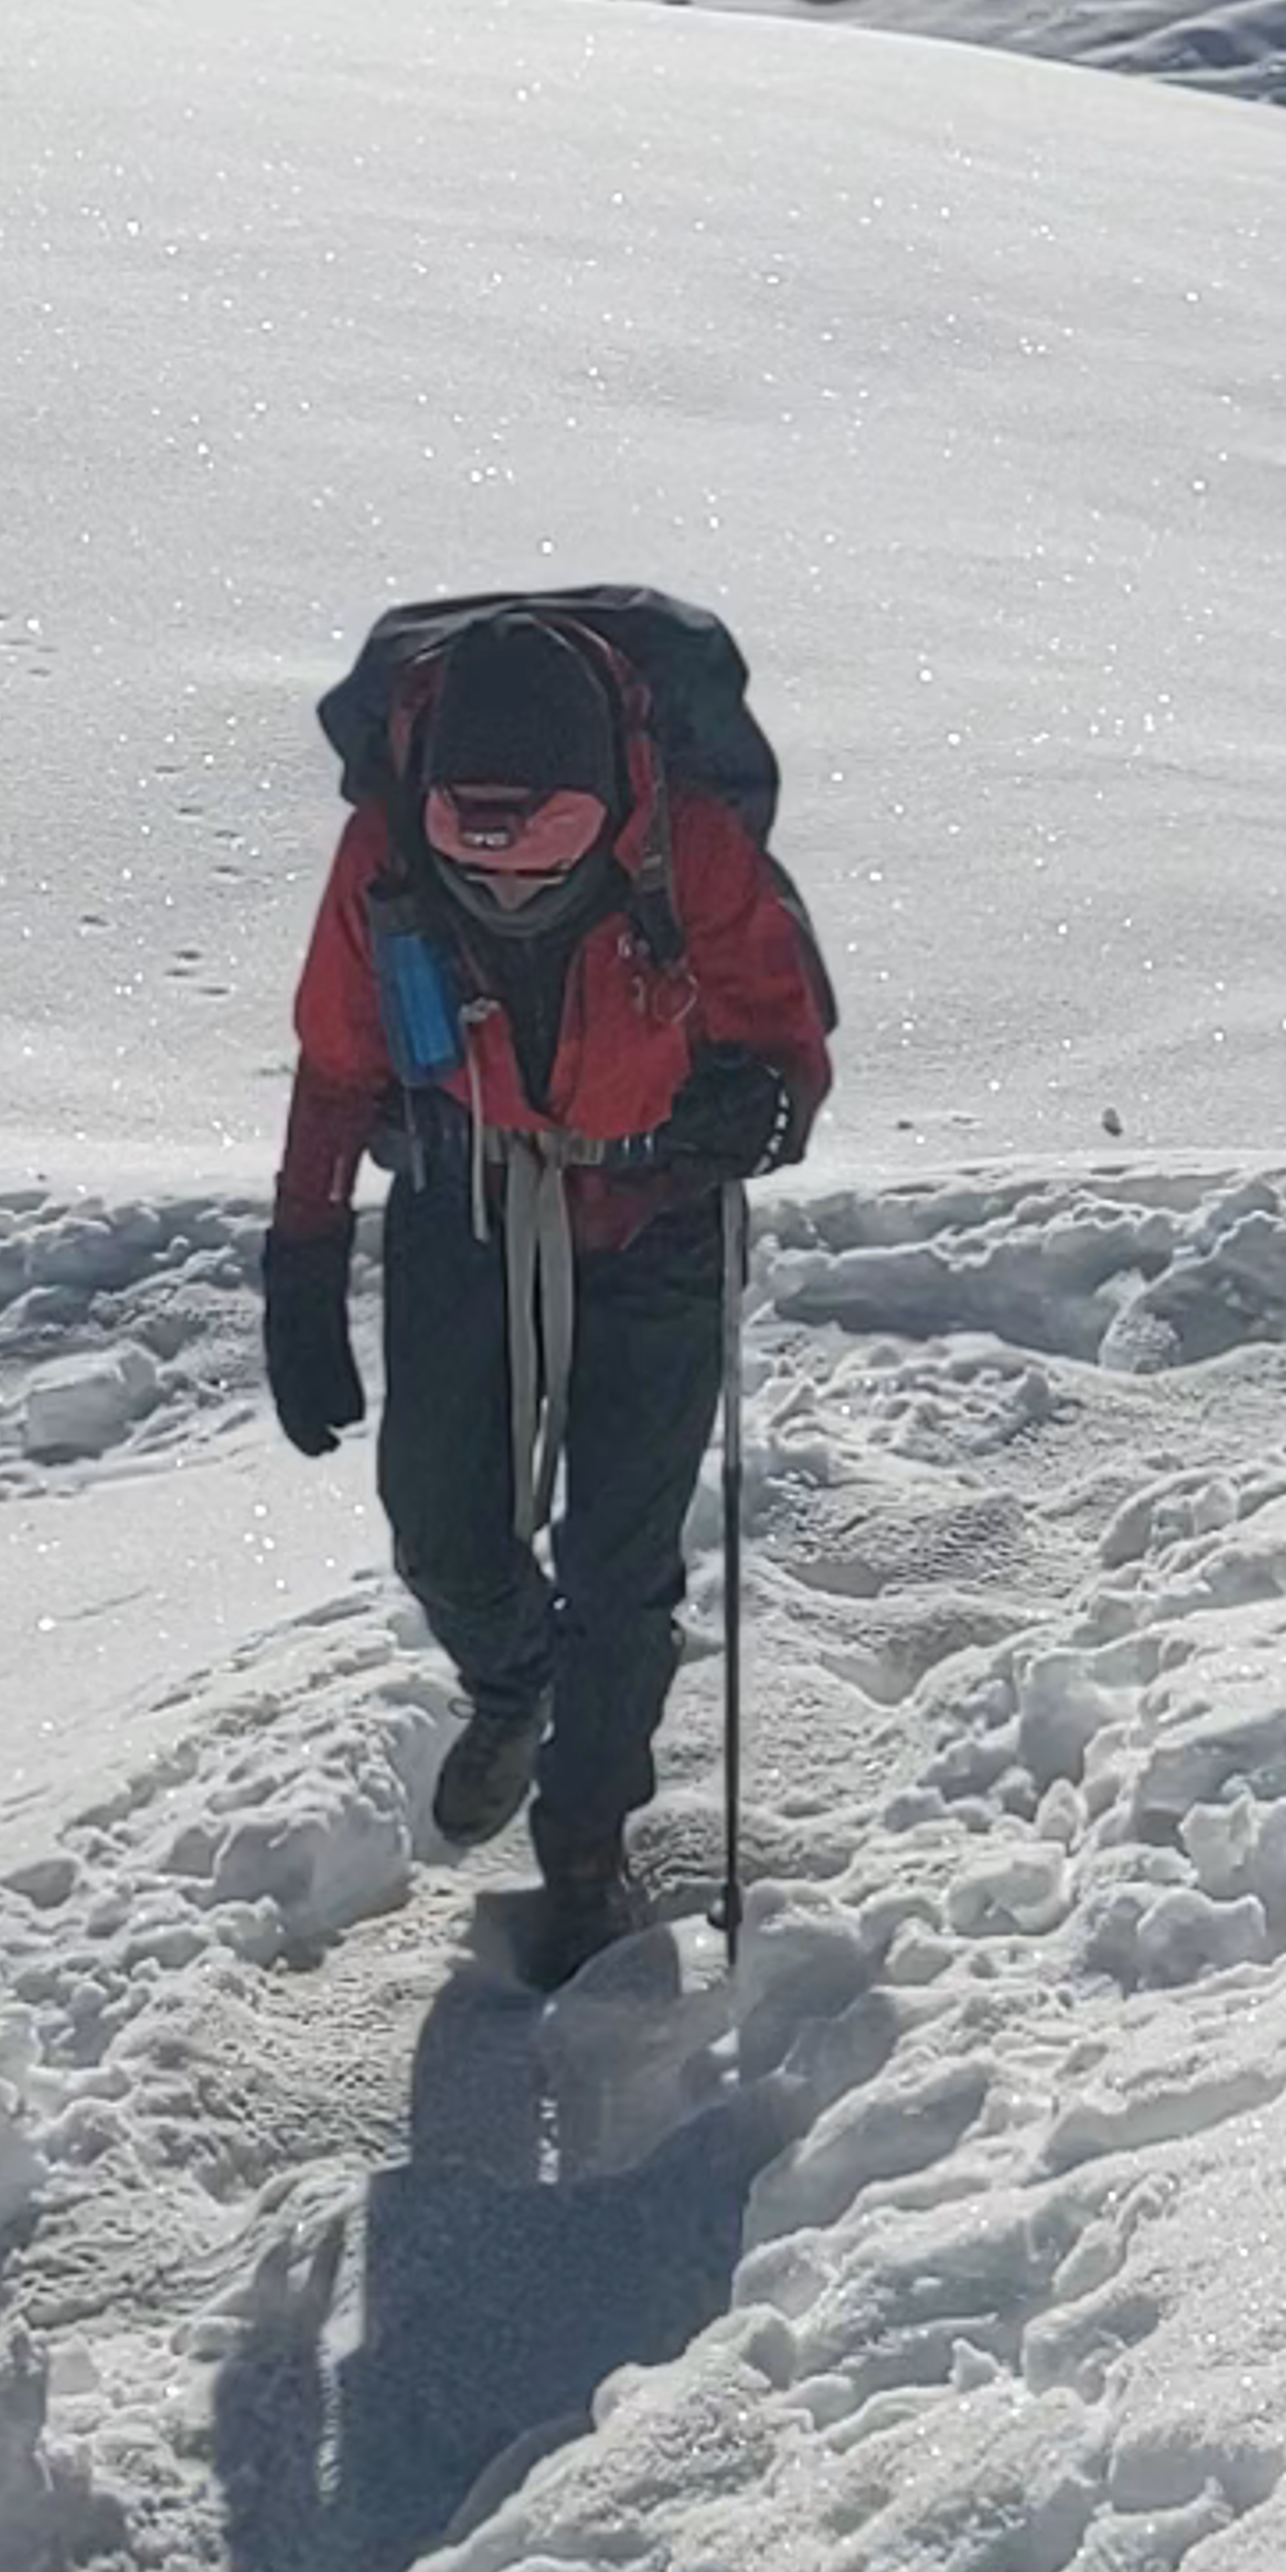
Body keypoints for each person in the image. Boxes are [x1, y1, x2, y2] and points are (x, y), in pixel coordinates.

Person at [259, 603, 835, 1975]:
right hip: (467, 1199)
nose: (507, 898)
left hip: (658, 1219)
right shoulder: (385, 853)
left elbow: (786, 1034)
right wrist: (300, 1260)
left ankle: (585, 1842)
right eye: (484, 874)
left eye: (540, 874)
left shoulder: (688, 845)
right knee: (441, 1529)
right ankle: (513, 1679)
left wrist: (757, 1116)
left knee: (619, 1566)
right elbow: (340, 1062)